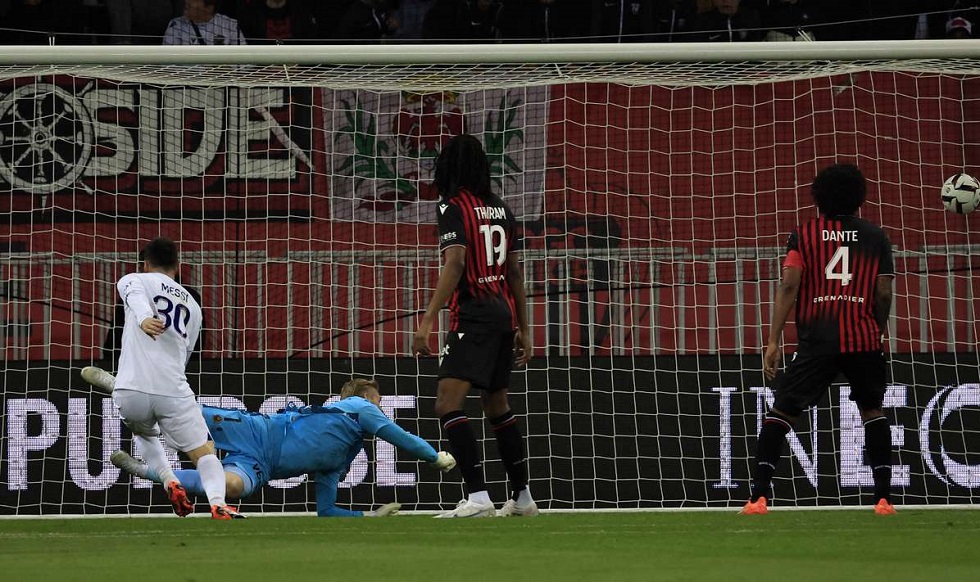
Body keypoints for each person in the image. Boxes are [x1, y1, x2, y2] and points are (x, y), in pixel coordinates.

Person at [81, 371, 457, 517]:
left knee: (232, 488)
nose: (381, 407)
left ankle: (148, 471)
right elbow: (400, 436)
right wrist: (433, 457)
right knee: (189, 412)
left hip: (261, 466)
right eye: (378, 401)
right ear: (364, 399)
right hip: (258, 431)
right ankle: (122, 386)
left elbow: (326, 510)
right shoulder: (359, 408)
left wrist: (367, 517)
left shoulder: (341, 457)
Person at [743, 164, 895, 516]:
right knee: (872, 411)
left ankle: (758, 498)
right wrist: (877, 326)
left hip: (817, 341)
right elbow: (884, 291)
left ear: (819, 198)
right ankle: (883, 500)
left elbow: (789, 285)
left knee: (782, 412)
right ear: (859, 198)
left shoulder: (805, 234)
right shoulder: (877, 237)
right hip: (863, 339)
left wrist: (773, 340)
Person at [412, 134, 536, 518]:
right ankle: (523, 498)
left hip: (474, 315)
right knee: (496, 405)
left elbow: (456, 263)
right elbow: (514, 273)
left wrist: (427, 320)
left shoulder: (452, 206)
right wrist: (525, 327)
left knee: (447, 402)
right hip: (503, 315)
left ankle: (479, 497)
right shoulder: (502, 209)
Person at [83, 238, 240, 519]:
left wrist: (144, 317)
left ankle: (169, 481)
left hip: (131, 390)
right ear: (177, 266)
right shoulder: (193, 304)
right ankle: (218, 502)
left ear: (145, 264)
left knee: (144, 433)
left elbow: (132, 293)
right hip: (172, 389)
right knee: (204, 453)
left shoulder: (135, 279)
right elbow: (188, 352)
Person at [163, 0, 246, 45]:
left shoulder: (231, 25)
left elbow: (245, 63)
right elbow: (167, 62)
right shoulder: (176, 25)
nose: (187, 2)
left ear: (209, 7)